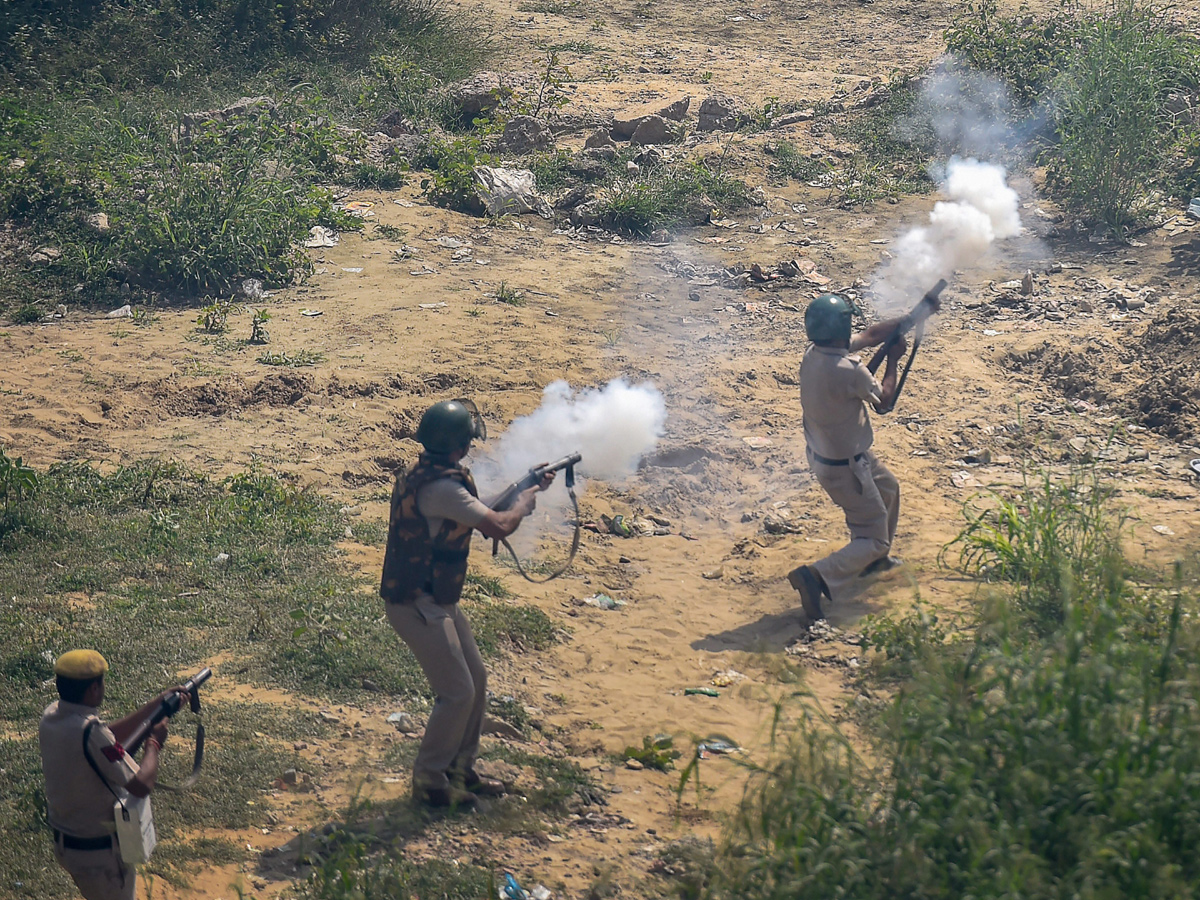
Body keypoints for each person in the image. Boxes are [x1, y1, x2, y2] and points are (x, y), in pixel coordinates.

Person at [380, 399, 554, 809]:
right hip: (418, 603)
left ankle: (461, 769)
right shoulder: (443, 487)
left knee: (475, 681)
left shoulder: (432, 477)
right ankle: (430, 782)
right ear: (458, 446)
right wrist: (523, 505)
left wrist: (521, 486)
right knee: (458, 692)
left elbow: (475, 508)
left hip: (433, 598)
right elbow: (496, 526)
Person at [787, 291, 939, 622]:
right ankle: (816, 576)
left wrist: (912, 317)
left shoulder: (815, 354)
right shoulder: (850, 371)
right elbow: (884, 402)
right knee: (873, 537)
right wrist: (894, 359)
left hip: (834, 458)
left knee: (888, 489)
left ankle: (872, 562)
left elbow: (870, 335)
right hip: (848, 469)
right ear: (840, 328)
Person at [39, 650, 186, 900]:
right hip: (99, 855)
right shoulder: (90, 732)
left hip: (69, 844)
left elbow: (106, 737)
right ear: (94, 689)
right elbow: (141, 785)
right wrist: (154, 743)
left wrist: (155, 707)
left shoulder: (53, 715)